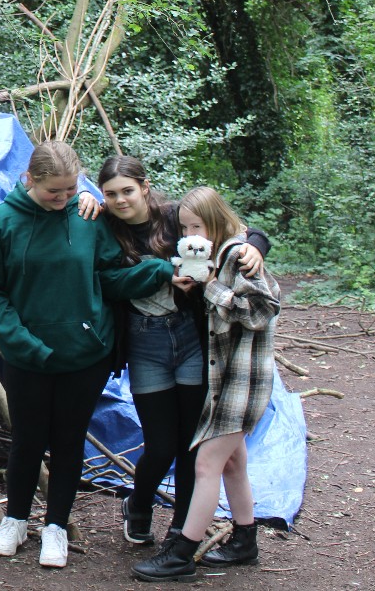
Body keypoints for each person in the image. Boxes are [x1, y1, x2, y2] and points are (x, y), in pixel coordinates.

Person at [0, 141, 177, 568]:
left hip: (85, 355)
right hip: (28, 357)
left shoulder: (88, 218)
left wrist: (158, 271)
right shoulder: (0, 223)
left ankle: (56, 527)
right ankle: (14, 519)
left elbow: (109, 279)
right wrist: (26, 345)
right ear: (29, 179)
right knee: (27, 441)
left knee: (68, 443)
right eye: (54, 192)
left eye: (70, 190)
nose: (63, 199)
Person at [97, 155, 269, 546]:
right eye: (110, 194)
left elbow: (231, 226)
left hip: (191, 337)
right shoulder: (103, 227)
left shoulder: (175, 217)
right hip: (145, 341)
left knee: (192, 442)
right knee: (159, 445)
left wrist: (256, 243)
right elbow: (107, 284)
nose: (121, 200)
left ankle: (181, 526)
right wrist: (159, 272)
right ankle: (138, 504)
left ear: (144, 186)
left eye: (128, 190)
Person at [132, 186, 281, 582]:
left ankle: (182, 550)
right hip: (226, 375)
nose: (191, 233)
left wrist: (213, 287)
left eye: (197, 225)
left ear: (214, 221)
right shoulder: (212, 252)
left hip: (244, 379)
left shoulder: (234, 254)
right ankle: (245, 540)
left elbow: (264, 310)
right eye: (185, 227)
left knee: (206, 462)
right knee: (233, 461)